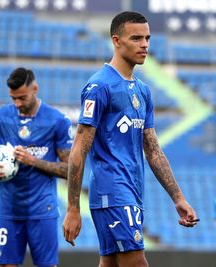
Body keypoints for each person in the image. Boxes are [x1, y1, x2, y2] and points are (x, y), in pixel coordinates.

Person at [62, 11, 199, 267]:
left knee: (111, 263)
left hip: (132, 190)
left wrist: (178, 198)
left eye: (147, 38)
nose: (144, 44)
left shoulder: (143, 91)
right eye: (136, 38)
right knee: (136, 262)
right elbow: (79, 147)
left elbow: (154, 150)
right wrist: (72, 208)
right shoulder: (99, 87)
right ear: (116, 41)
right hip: (112, 190)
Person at [0, 67, 73, 267]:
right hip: (8, 210)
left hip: (43, 210)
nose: (17, 103)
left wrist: (34, 161)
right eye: (13, 98)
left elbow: (70, 170)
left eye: (22, 98)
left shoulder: (57, 120)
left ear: (35, 89)